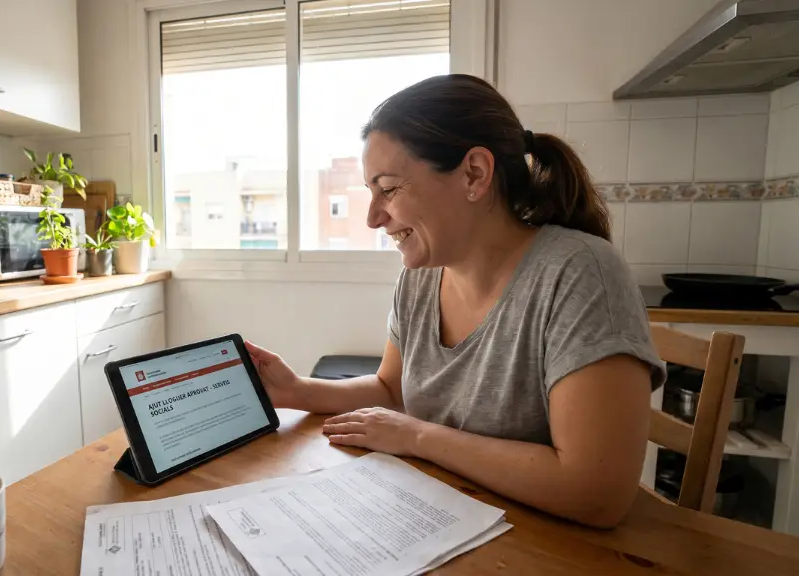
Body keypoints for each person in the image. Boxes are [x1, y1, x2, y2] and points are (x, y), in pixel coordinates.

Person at [246, 74, 666, 529]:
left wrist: (419, 437)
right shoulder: (420, 279)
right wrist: (298, 391)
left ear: (474, 174)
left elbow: (596, 492)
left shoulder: (580, 274)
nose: (372, 217)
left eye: (388, 188)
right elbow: (393, 390)